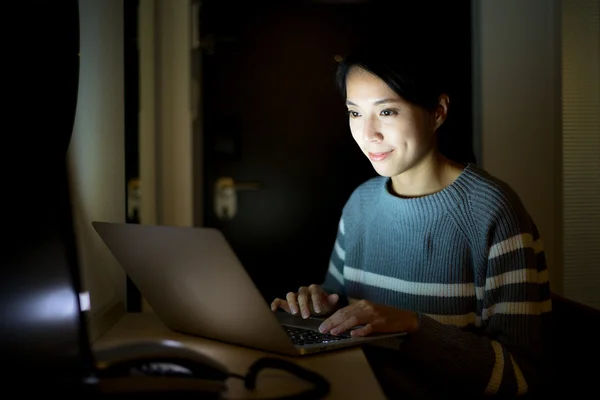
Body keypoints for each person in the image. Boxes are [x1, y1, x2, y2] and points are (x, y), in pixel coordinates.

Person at [270, 44, 552, 398]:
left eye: (386, 111)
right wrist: (319, 306)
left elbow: (522, 376)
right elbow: (341, 303)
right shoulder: (361, 202)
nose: (367, 133)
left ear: (437, 112)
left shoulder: (493, 210)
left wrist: (414, 326)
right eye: (355, 113)